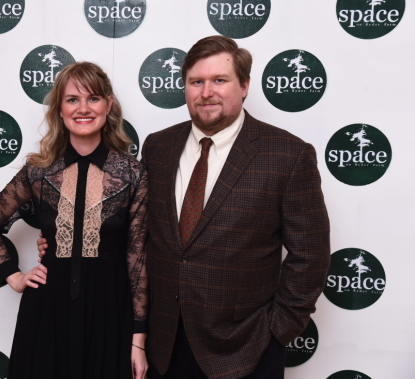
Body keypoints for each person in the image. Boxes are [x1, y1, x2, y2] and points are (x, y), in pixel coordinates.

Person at [40, 36, 330, 379]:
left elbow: (310, 256)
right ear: (185, 88)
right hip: (165, 348)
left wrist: (276, 332)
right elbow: (137, 232)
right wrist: (62, 242)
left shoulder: (288, 155)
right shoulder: (159, 147)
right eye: (197, 82)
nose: (207, 92)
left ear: (245, 85)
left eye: (219, 80)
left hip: (246, 350)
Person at [0, 61, 149, 379]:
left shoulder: (131, 173)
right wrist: (13, 277)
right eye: (72, 99)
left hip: (110, 315)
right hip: (47, 313)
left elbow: (138, 260)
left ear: (108, 105)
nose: (83, 108)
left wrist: (138, 340)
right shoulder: (39, 171)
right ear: (59, 108)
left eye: (93, 98)